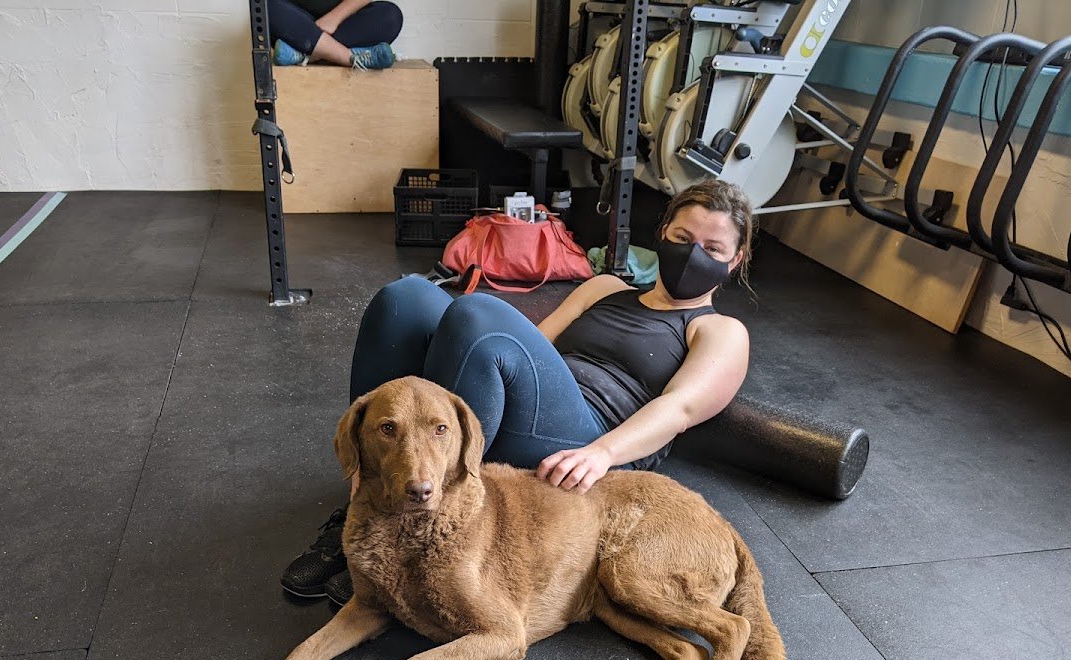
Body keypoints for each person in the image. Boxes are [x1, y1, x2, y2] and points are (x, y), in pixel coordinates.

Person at [282, 178, 754, 603]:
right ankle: (365, 504)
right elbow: (536, 346)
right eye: (682, 239)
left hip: (589, 442)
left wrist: (602, 454)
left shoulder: (718, 330)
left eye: (712, 249)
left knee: (479, 315)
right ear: (663, 232)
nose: (693, 255)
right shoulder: (605, 287)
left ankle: (417, 537)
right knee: (405, 297)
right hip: (530, 410)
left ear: (735, 260)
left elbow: (679, 408)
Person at [269, 0, 402, 69]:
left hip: (341, 25)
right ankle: (350, 58)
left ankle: (304, 55)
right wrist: (347, 56)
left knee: (391, 16)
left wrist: (333, 19)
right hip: (296, 24)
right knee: (265, 6)